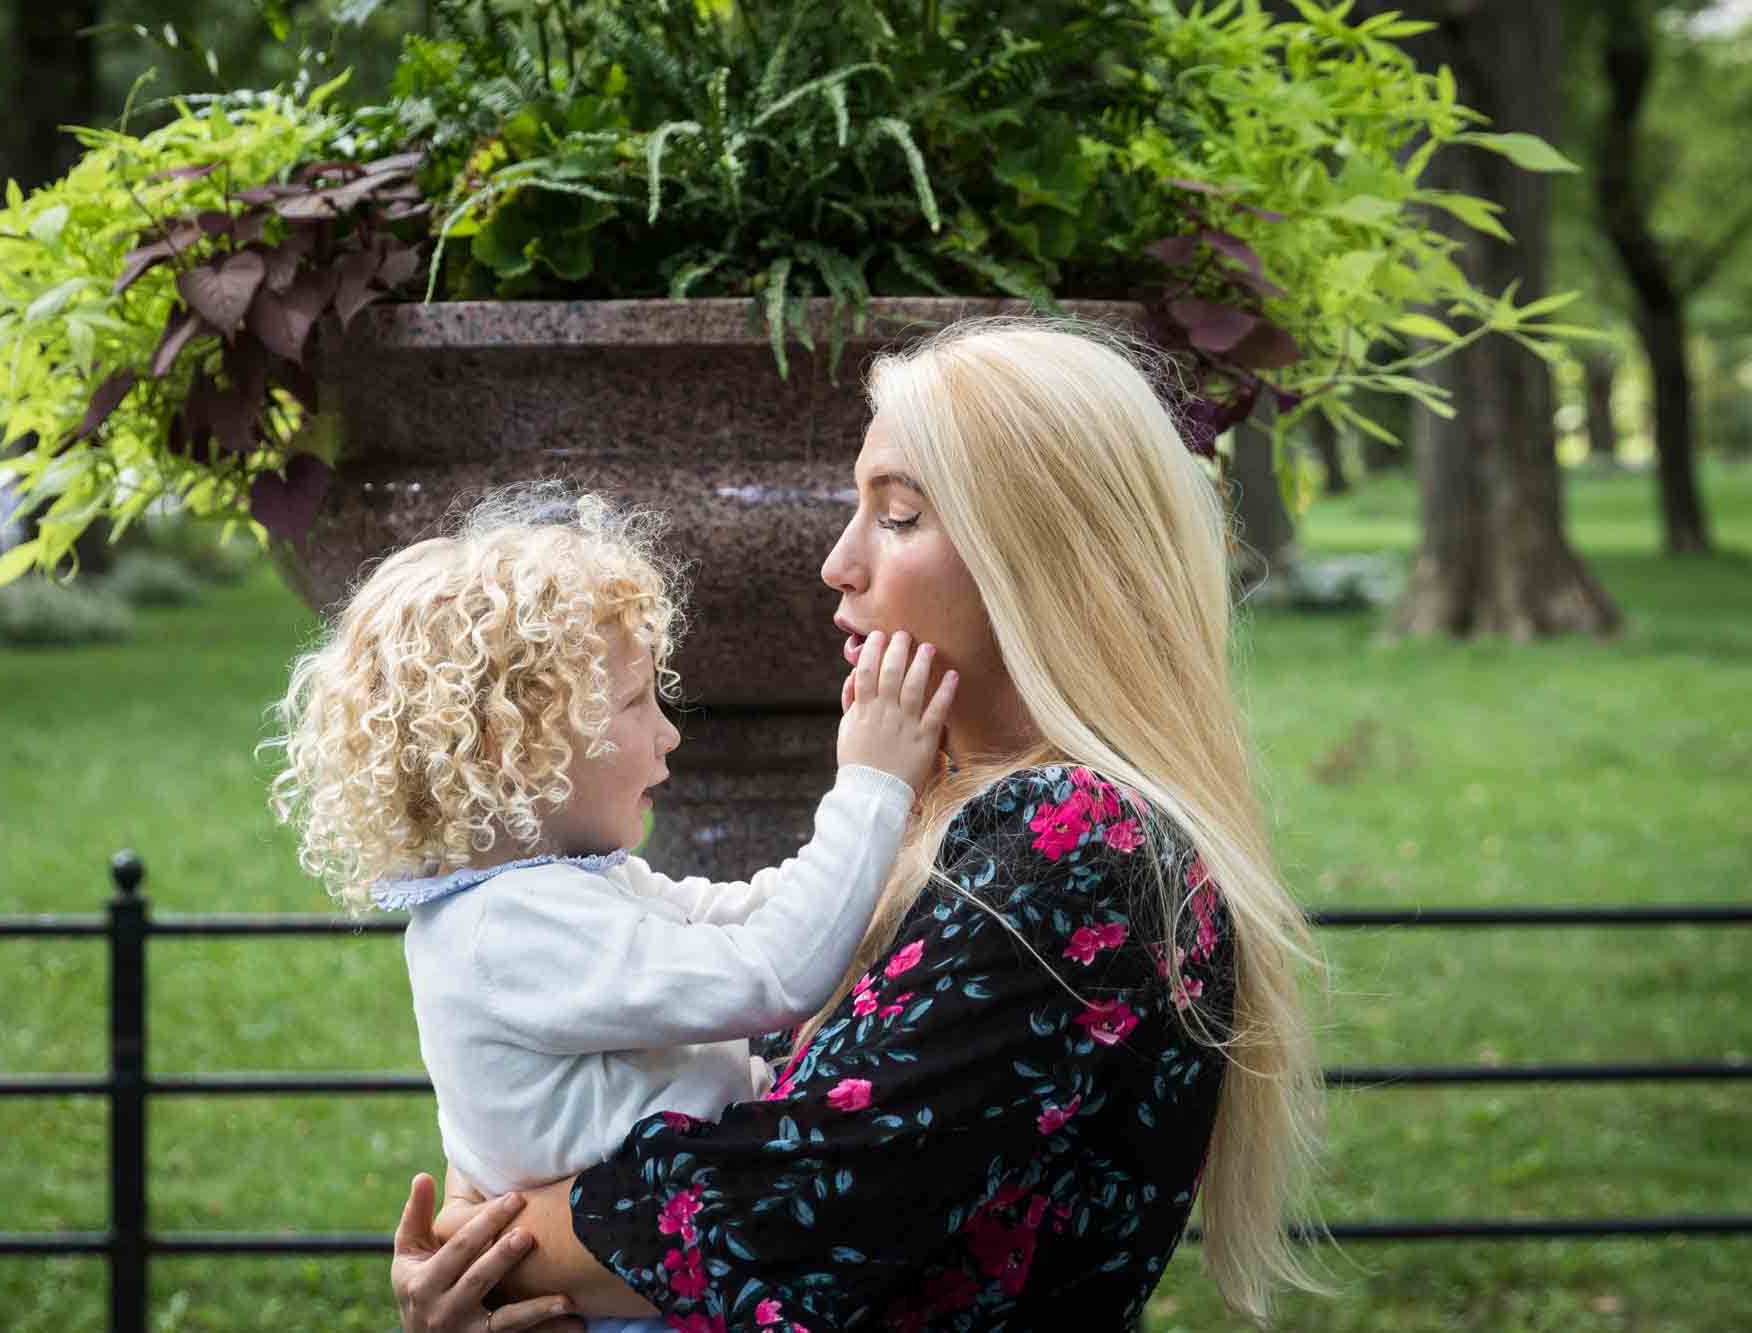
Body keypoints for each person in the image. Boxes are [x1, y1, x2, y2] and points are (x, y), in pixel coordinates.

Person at [390, 319, 1327, 1332]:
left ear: (1045, 553)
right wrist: (472, 1264)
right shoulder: (951, 810)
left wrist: (486, 1253)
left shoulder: (1076, 836)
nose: (838, 563)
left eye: (898, 515)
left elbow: (785, 1208)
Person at [268, 487, 957, 1333]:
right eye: (635, 703)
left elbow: (742, 914)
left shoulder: (559, 888)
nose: (667, 734)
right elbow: (775, 970)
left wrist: (903, 831)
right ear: (508, 741)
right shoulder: (508, 929)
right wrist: (871, 788)